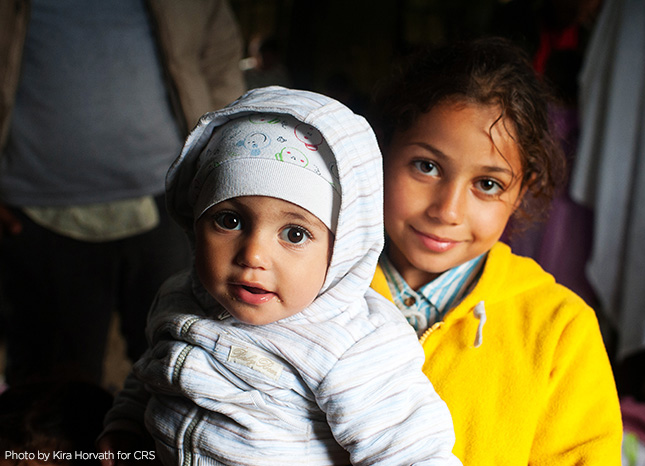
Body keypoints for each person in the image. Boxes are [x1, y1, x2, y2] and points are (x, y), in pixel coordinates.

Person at [98, 86, 461, 466]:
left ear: (342, 248)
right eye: (230, 220)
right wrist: (125, 427)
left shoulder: (352, 344)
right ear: (195, 220)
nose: (253, 255)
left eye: (294, 234)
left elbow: (413, 454)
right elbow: (151, 374)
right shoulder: (178, 296)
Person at [369, 37, 623, 463]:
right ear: (380, 150)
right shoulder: (310, 287)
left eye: (487, 185)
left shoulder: (559, 330)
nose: (448, 211)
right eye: (426, 166)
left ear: (523, 191)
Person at [0, 0, 247, 385]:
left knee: (178, 370)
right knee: (50, 391)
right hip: (34, 209)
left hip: (174, 205)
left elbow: (220, 60)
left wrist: (222, 168)